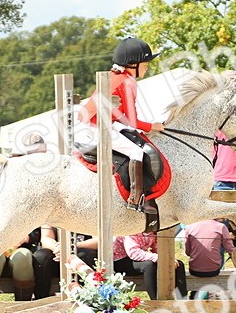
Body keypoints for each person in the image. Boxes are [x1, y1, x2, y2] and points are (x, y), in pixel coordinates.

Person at [74, 37, 164, 212]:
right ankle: (135, 198)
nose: (147, 67)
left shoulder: (114, 76)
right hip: (95, 128)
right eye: (145, 64)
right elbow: (132, 121)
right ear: (133, 64)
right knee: (136, 151)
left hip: (87, 125)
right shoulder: (128, 82)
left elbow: (121, 118)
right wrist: (154, 126)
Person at [115, 231, 187, 298]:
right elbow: (133, 253)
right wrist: (158, 257)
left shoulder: (152, 232)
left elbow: (156, 248)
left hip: (138, 258)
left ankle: (182, 299)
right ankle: (155, 301)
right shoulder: (132, 231)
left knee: (178, 264)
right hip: (121, 260)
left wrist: (168, 259)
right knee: (148, 265)